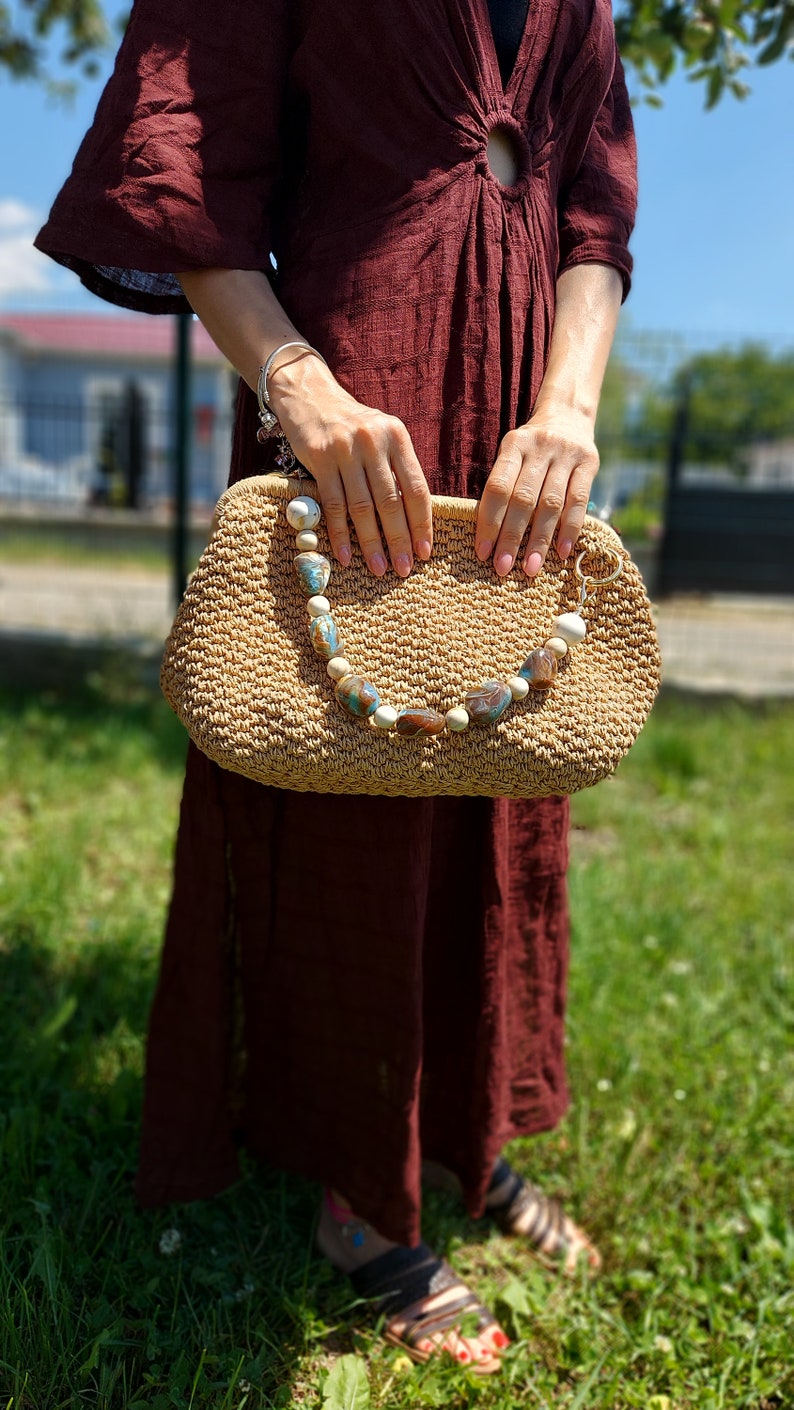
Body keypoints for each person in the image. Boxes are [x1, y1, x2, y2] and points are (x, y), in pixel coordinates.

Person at [36, 0, 637, 1374]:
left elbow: (594, 219)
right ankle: (357, 1199)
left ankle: (459, 1133)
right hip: (359, 391)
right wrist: (296, 385)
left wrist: (566, 412)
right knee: (347, 772)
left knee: (502, 758)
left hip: (521, 426)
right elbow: (176, 160)